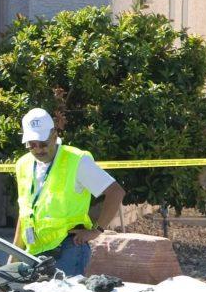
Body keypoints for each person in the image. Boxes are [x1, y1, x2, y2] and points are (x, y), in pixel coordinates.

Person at [12, 108, 126, 277]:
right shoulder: (23, 164)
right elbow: (25, 214)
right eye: (31, 144)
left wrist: (96, 231)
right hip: (35, 251)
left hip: (68, 249)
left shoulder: (76, 160)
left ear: (54, 134)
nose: (38, 150)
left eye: (43, 143)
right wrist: (14, 256)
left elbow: (116, 192)